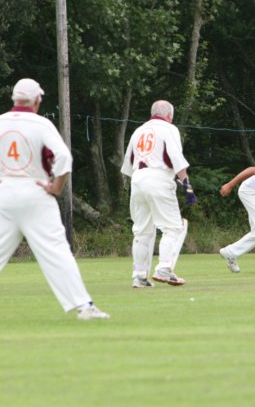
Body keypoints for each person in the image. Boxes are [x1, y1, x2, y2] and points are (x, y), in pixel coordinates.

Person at [0, 78, 110, 320]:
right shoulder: (41, 124)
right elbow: (63, 158)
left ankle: (84, 306)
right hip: (35, 192)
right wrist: (56, 188)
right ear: (36, 100)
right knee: (57, 252)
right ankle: (84, 306)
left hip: (4, 193)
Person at [121, 100, 196, 288]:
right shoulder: (169, 129)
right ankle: (164, 268)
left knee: (141, 231)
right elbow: (176, 158)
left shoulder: (138, 131)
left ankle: (139, 276)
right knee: (173, 228)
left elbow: (128, 164)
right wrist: (187, 185)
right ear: (169, 115)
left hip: (137, 180)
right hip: (159, 178)